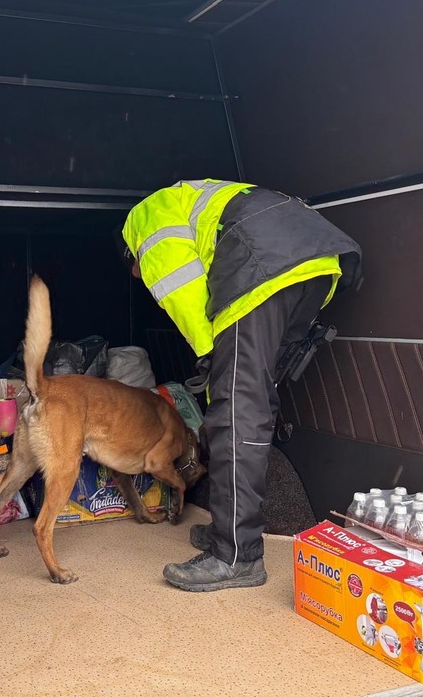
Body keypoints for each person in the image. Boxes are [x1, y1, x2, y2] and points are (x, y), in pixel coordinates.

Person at [121, 178, 361, 591]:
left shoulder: (144, 220)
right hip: (316, 264)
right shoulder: (195, 197)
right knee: (249, 403)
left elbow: (180, 287)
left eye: (137, 272)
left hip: (261, 271)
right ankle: (229, 529)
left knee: (237, 412)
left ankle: (236, 555)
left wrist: (209, 352)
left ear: (132, 255)